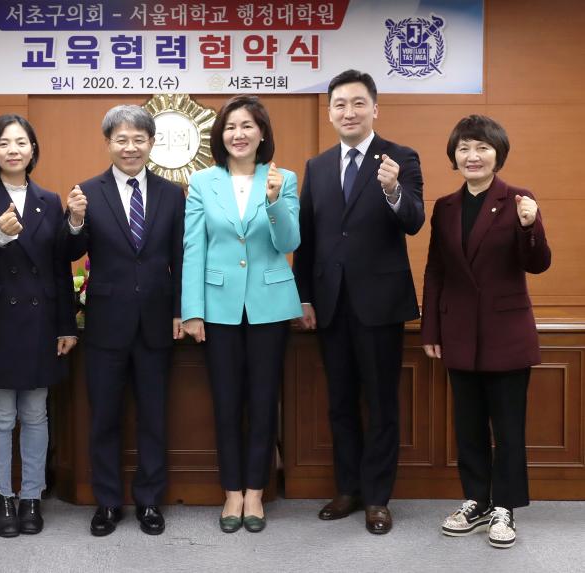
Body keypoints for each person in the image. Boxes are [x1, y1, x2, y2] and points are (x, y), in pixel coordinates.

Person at [293, 69, 425, 534]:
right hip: (330, 304)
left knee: (382, 402)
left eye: (357, 103)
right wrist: (304, 296)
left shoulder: (401, 159)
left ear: (374, 108)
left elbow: (414, 221)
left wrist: (392, 190)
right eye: (340, 105)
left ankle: (377, 498)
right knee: (341, 402)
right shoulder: (318, 165)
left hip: (380, 304)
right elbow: (307, 239)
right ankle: (347, 488)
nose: (348, 112)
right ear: (329, 112)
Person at [422, 115, 550, 549]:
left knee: (508, 428)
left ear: (497, 153)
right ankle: (476, 500)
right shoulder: (444, 206)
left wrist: (531, 226)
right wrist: (430, 330)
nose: (471, 156)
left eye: (480, 147)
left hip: (505, 331)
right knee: (469, 426)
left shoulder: (519, 199)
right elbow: (436, 270)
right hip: (458, 331)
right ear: (454, 156)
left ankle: (505, 509)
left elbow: (537, 263)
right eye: (463, 148)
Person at [62, 105, 185, 537]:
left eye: (139, 139)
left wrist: (178, 311)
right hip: (105, 324)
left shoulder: (173, 194)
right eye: (121, 139)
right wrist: (74, 220)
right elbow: (71, 253)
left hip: (156, 322)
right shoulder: (88, 192)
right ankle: (108, 502)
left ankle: (150, 502)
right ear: (109, 143)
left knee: (154, 416)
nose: (130, 147)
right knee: (105, 418)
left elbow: (179, 258)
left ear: (151, 143)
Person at [182, 95, 301, 533]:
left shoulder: (282, 179)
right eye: (231, 127)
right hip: (218, 307)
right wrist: (192, 310)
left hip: (269, 307)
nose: (239, 134)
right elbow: (194, 247)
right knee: (227, 402)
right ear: (221, 135)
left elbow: (289, 242)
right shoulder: (202, 182)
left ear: (262, 133)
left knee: (263, 400)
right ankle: (232, 493)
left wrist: (273, 202)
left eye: (248, 125)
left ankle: (256, 492)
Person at [0, 115, 77, 537]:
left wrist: (67, 325)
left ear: (32, 150)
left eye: (20, 142)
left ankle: (31, 495)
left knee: (36, 413)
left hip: (40, 320)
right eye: (4, 142)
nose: (12, 149)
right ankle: (1, 497)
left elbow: (61, 267)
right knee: (1, 415)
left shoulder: (49, 198)